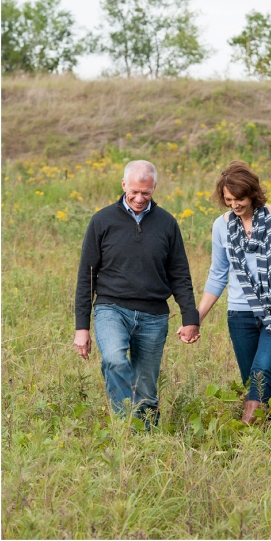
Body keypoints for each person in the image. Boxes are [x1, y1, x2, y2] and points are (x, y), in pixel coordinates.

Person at [74, 160, 200, 428]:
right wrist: (81, 328)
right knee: (114, 360)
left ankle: (146, 441)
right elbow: (87, 275)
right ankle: (125, 425)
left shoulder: (167, 223)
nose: (140, 198)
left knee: (146, 390)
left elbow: (180, 273)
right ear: (123, 185)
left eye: (146, 193)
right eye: (134, 192)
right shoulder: (102, 220)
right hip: (111, 308)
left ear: (154, 188)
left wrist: (191, 317)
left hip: (154, 315)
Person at [194, 160, 271, 424]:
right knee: (250, 383)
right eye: (228, 200)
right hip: (240, 315)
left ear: (252, 193)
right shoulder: (221, 226)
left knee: (262, 371)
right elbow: (217, 275)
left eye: (239, 199)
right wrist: (197, 318)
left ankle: (246, 434)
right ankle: (264, 441)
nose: (234, 205)